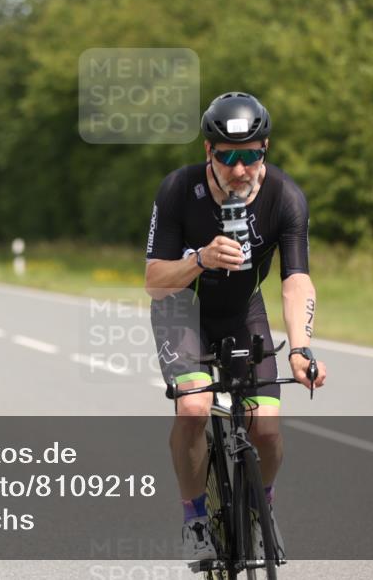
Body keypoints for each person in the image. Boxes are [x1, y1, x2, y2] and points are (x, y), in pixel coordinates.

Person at [145, 92, 328, 559]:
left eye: (251, 155)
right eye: (228, 156)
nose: (241, 169)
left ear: (264, 147)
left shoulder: (285, 197)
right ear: (209, 151)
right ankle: (196, 521)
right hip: (181, 309)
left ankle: (259, 509)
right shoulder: (178, 190)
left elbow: (296, 280)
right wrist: (201, 259)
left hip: (243, 308)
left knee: (266, 428)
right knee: (194, 407)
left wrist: (301, 349)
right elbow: (154, 281)